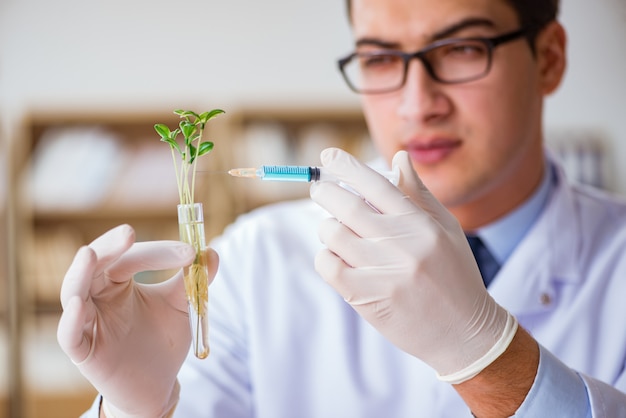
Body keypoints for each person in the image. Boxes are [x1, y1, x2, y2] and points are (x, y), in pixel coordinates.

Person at [57, 0, 626, 416]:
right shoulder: (258, 261)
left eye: (460, 49)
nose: (416, 103)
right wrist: (138, 408)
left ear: (548, 58)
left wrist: (487, 356)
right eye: (379, 59)